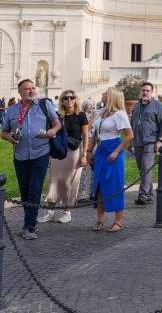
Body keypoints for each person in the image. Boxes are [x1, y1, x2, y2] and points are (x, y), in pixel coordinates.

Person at [0, 79, 62, 239]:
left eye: (33, 88)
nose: (31, 91)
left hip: (40, 153)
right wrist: (9, 138)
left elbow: (57, 123)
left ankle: (28, 227)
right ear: (20, 92)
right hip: (20, 155)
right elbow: (3, 131)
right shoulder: (12, 110)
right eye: (27, 89)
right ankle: (31, 222)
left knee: (35, 188)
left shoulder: (44, 104)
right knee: (25, 190)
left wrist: (51, 131)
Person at [38, 89, 88, 224]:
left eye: (72, 98)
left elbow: (85, 137)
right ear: (62, 101)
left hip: (74, 153)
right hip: (59, 152)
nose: (69, 100)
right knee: (53, 180)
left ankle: (67, 212)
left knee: (69, 182)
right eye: (66, 98)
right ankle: (49, 211)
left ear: (76, 99)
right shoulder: (59, 116)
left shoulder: (81, 115)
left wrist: (84, 155)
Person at [87, 88, 133, 232]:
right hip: (100, 150)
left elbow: (129, 136)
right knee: (99, 185)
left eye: (105, 93)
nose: (102, 94)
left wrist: (116, 152)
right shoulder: (101, 113)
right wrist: (89, 151)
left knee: (115, 185)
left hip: (113, 149)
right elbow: (94, 132)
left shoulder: (119, 114)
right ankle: (100, 220)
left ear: (112, 97)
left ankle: (118, 220)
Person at [130, 82, 162, 206]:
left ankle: (143, 194)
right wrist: (131, 140)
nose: (145, 93)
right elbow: (132, 123)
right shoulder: (136, 106)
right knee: (143, 169)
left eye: (147, 91)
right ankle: (149, 194)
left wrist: (160, 140)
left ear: (152, 92)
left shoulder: (158, 105)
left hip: (151, 141)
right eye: (143, 90)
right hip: (137, 141)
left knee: (146, 166)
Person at [76, 97, 97, 202]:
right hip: (84, 144)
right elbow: (86, 128)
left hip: (94, 145)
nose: (92, 107)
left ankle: (92, 193)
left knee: (93, 170)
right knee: (85, 170)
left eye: (93, 105)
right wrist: (93, 119)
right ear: (85, 105)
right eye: (90, 105)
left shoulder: (95, 116)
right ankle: (82, 195)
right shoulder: (82, 115)